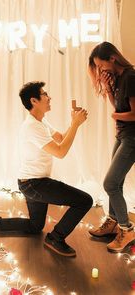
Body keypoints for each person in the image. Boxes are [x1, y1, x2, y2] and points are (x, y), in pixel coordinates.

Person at [0, 81, 92, 257]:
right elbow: (60, 152)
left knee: (35, 227)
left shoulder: (41, 122)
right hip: (35, 184)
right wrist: (75, 124)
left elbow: (61, 139)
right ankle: (56, 238)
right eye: (45, 94)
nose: (49, 97)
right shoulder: (32, 127)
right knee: (85, 201)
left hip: (30, 182)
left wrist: (75, 123)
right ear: (34, 101)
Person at [88, 41, 135, 252]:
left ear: (112, 59)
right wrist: (108, 89)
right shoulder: (119, 78)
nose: (101, 70)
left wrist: (115, 116)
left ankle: (127, 229)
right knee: (117, 182)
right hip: (123, 135)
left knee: (110, 184)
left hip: (132, 138)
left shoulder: (131, 77)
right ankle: (113, 222)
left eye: (101, 65)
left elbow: (133, 114)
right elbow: (118, 106)